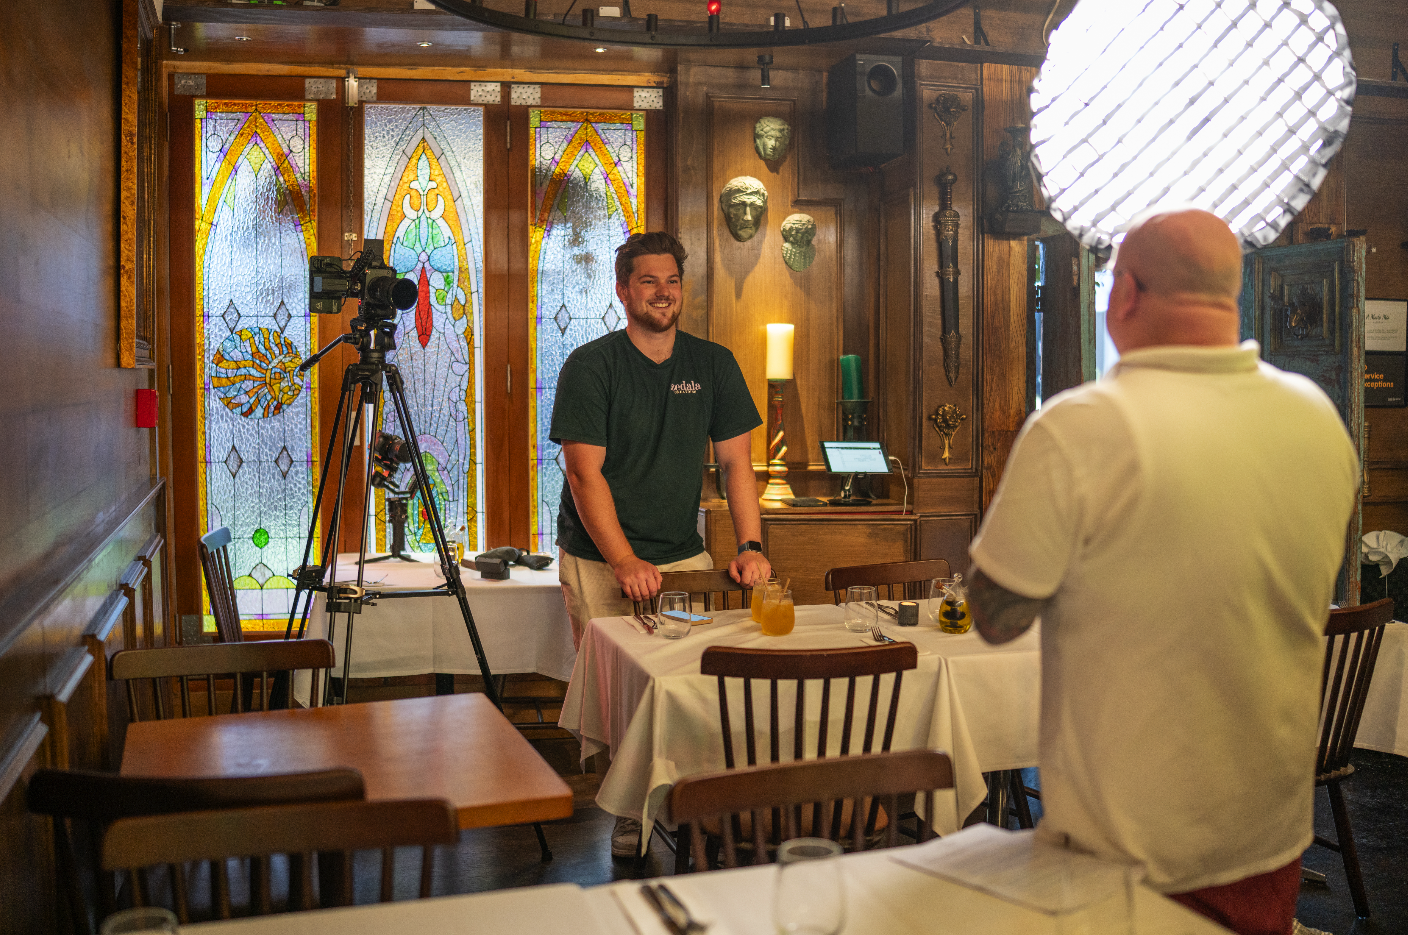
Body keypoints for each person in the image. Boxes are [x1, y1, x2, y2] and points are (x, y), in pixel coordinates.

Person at [965, 208, 1358, 935]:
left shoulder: (1080, 426)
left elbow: (996, 614)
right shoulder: (1316, 417)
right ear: (1231, 294)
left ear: (1126, 295)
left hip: (1125, 857)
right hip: (1267, 835)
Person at [549, 230, 773, 856]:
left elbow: (737, 467)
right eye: (648, 281)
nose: (663, 292)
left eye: (671, 281)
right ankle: (627, 813)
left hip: (682, 552)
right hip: (599, 557)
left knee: (690, 682)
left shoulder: (713, 364)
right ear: (623, 291)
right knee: (620, 694)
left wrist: (750, 543)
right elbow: (582, 472)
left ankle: (686, 799)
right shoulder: (592, 365)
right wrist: (623, 559)